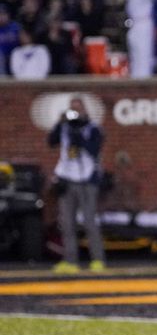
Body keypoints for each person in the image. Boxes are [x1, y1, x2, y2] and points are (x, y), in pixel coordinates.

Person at [48, 97, 106, 273]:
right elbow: (51, 142)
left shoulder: (92, 128)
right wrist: (59, 124)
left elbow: (94, 150)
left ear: (85, 110)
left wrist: (79, 135)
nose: (75, 113)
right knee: (67, 223)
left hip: (86, 179)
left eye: (78, 109)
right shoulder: (65, 127)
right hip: (67, 178)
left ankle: (97, 259)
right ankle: (71, 260)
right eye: (72, 109)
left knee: (89, 221)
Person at [126, 0, 157, 78]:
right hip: (141, 25)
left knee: (141, 58)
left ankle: (140, 80)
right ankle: (141, 83)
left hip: (137, 26)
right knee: (142, 57)